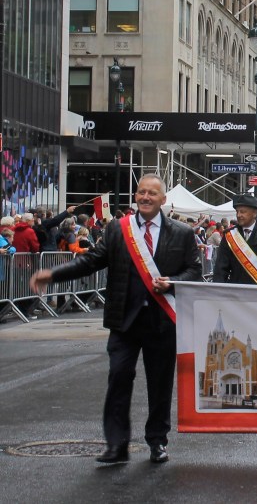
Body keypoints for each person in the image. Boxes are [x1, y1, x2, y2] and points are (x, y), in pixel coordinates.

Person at [29, 174, 202, 464]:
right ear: (136, 196)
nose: (145, 197)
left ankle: (157, 441)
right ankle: (116, 444)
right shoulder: (118, 229)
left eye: (152, 193)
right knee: (119, 378)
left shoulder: (182, 233)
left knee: (159, 385)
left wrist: (172, 282)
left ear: (163, 200)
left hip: (162, 320)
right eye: (141, 192)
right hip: (124, 320)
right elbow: (92, 261)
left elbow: (194, 271)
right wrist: (54, 274)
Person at [212, 194, 257, 286]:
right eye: (237, 211)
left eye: (243, 212)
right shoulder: (229, 235)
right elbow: (220, 269)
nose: (238, 215)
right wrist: (218, 291)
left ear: (254, 213)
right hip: (236, 290)